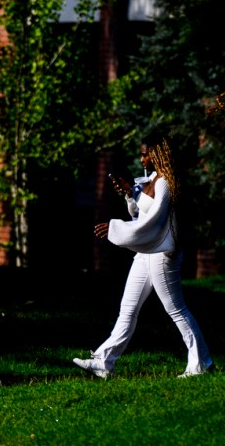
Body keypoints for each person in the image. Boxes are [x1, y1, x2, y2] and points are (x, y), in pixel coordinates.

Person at [73, 139, 213, 380]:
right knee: (127, 310)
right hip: (146, 253)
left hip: (162, 254)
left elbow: (152, 223)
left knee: (176, 310)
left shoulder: (167, 184)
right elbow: (140, 213)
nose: (142, 159)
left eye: (145, 155)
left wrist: (115, 229)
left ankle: (201, 363)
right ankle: (104, 362)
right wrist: (130, 192)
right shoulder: (154, 179)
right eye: (141, 155)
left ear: (158, 155)